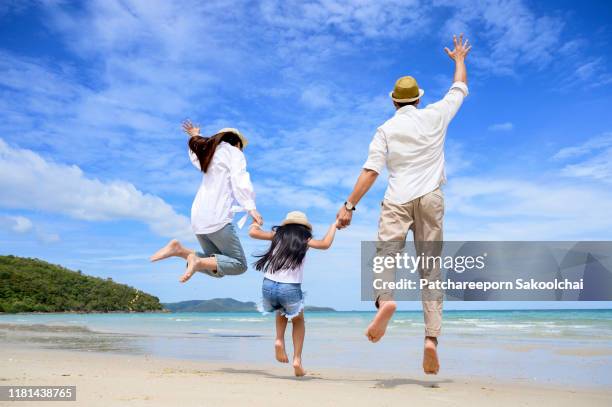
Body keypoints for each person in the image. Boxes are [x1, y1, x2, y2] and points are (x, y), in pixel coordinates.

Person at [336, 34, 472, 374]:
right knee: (431, 270)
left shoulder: (385, 129)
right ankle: (430, 340)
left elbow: (370, 172)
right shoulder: (436, 116)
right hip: (431, 198)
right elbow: (459, 88)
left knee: (385, 257)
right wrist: (458, 59)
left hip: (396, 200)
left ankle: (385, 302)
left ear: (395, 102)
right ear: (417, 99)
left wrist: (348, 206)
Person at [150, 120, 263, 283]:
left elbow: (196, 152)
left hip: (198, 219)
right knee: (239, 265)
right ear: (236, 142)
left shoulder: (209, 155)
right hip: (217, 217)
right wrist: (250, 207)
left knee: (216, 267)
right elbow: (240, 179)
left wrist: (196, 135)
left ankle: (180, 251)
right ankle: (195, 260)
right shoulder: (234, 152)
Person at [249, 211, 338, 377]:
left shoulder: (277, 235)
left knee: (280, 310)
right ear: (304, 227)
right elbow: (325, 244)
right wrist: (334, 225)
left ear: (286, 224)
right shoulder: (305, 239)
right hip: (289, 287)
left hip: (268, 285)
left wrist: (256, 222)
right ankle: (297, 360)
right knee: (298, 321)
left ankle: (278, 340)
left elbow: (252, 232)